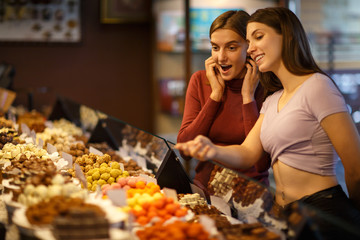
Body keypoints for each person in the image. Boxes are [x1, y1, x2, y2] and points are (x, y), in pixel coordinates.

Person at [176, 7, 360, 238]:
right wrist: (211, 149)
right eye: (250, 40)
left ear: (287, 36)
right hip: (284, 210)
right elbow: (247, 152)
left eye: (258, 37)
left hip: (320, 207)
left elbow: (355, 168)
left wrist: (355, 214)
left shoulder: (317, 85)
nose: (251, 48)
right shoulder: (274, 98)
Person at [177, 10, 270, 196]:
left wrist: (248, 98)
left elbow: (260, 163)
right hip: (205, 191)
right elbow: (185, 149)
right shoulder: (200, 80)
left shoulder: (267, 86)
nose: (221, 58)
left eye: (231, 48)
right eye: (215, 47)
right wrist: (215, 95)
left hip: (250, 195)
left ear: (249, 48)